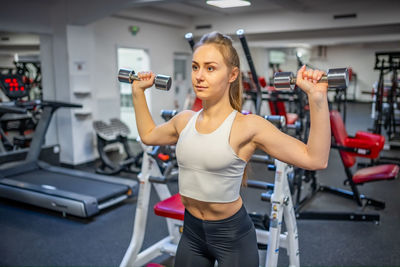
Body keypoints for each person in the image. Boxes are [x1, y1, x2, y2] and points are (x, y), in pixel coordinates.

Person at [131, 32, 330, 267]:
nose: (199, 76)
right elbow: (149, 135)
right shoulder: (184, 121)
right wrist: (138, 92)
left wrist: (317, 99)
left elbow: (315, 158)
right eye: (196, 67)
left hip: (232, 237)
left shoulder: (248, 126)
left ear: (232, 74)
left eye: (210, 68)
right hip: (192, 232)